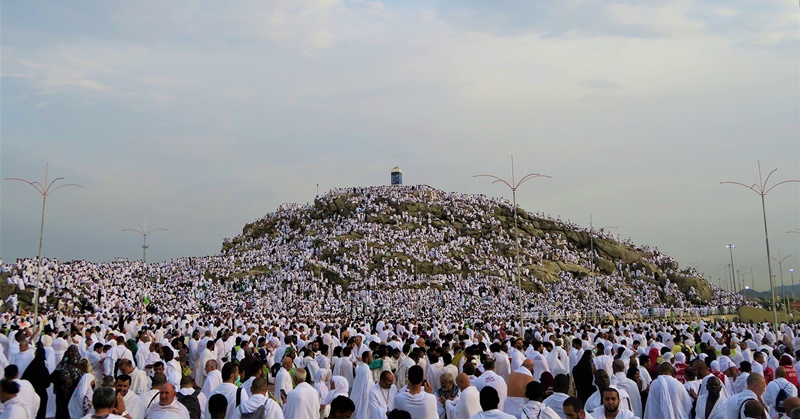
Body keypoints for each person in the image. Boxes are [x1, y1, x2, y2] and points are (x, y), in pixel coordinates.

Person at [21, 344, 50, 419]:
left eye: (35, 352)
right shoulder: (44, 368)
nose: (34, 354)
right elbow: (47, 383)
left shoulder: (31, 366)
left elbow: (24, 379)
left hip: (31, 393)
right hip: (41, 393)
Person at [351, 351, 374, 419]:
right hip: (363, 396)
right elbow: (368, 386)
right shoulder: (366, 370)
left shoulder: (361, 367)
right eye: (371, 357)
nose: (372, 358)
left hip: (357, 394)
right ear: (366, 359)